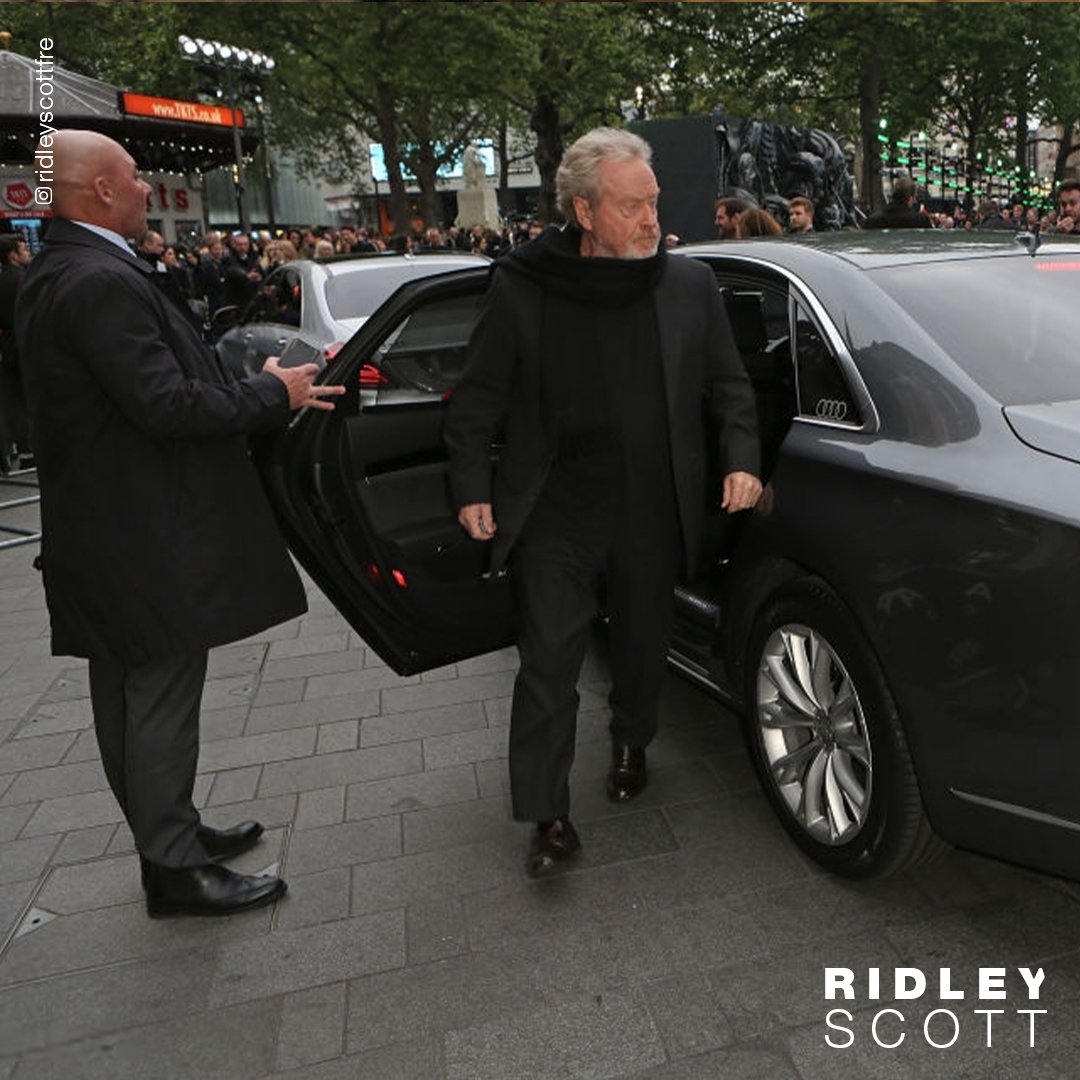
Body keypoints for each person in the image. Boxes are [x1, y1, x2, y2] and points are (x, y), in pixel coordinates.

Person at [15, 130, 344, 918]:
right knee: (157, 693)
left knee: (127, 691)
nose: (146, 187)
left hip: (104, 529)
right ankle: (172, 865)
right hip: (140, 533)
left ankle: (173, 832)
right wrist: (276, 396)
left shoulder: (62, 269)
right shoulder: (98, 280)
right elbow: (163, 405)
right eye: (134, 177)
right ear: (98, 191)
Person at [445, 128, 761, 878]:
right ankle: (547, 816)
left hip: (653, 505)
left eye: (653, 202)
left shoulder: (687, 284)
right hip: (556, 510)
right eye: (632, 206)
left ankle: (632, 738)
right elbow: (478, 397)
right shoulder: (525, 285)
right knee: (547, 663)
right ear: (584, 212)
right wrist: (471, 487)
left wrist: (742, 459)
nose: (652, 218)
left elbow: (731, 386)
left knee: (644, 642)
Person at [0, 234, 32, 470]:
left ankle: (24, 448)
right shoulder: (25, 280)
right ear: (12, 255)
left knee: (17, 401)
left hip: (10, 347)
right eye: (23, 249)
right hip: (28, 344)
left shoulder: (2, 281)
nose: (28, 251)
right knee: (32, 398)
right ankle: (32, 448)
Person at [863, 177, 932, 229]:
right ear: (910, 198)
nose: (915, 201)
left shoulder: (872, 221)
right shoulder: (921, 221)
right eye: (914, 198)